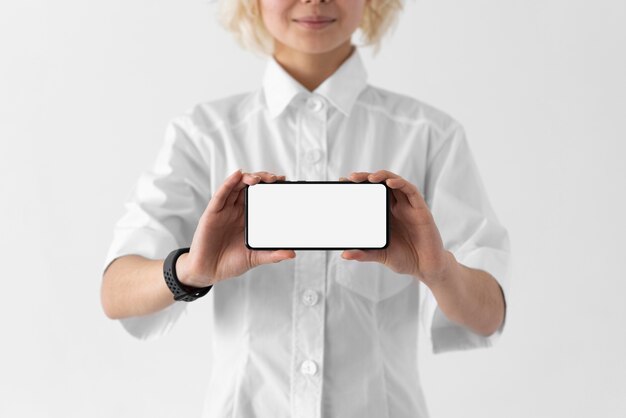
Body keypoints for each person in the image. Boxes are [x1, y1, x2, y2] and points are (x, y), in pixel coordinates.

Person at [100, 0, 511, 417]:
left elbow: (489, 315)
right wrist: (190, 271)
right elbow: (116, 291)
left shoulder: (430, 136)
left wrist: (439, 271)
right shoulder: (202, 135)